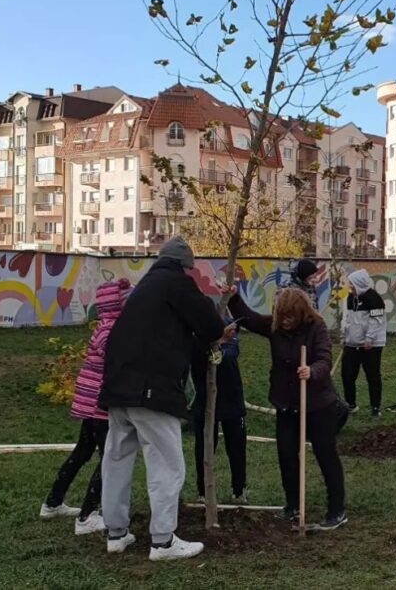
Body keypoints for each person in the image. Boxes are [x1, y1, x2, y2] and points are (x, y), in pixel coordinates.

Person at [99, 236, 231, 561]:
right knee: (167, 464)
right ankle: (163, 542)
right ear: (185, 266)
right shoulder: (177, 283)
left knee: (116, 460)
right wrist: (219, 333)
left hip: (118, 388)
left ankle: (116, 534)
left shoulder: (146, 287)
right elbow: (210, 323)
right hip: (151, 389)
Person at [227, 285, 349, 530]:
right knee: (286, 455)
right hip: (286, 403)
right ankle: (293, 505)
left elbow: (324, 359)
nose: (284, 322)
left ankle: (337, 509)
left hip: (318, 404)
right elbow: (249, 319)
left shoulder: (317, 327)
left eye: (289, 317)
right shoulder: (275, 326)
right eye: (281, 316)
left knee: (326, 454)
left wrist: (311, 371)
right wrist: (232, 296)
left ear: (301, 313)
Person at [40, 279, 131, 535]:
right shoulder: (114, 330)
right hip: (99, 404)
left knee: (82, 451)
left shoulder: (105, 326)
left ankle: (53, 502)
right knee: (108, 457)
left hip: (90, 400)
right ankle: (87, 515)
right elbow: (119, 361)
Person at [190, 313, 247, 503]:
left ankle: (239, 491)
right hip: (204, 401)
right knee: (204, 448)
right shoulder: (195, 336)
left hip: (231, 399)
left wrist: (219, 349)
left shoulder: (229, 334)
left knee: (236, 446)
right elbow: (194, 356)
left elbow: (230, 353)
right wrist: (211, 349)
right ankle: (203, 492)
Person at [341, 269, 387, 417]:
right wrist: (345, 337)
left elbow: (376, 321)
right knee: (347, 374)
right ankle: (350, 404)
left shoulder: (374, 298)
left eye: (352, 284)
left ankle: (375, 407)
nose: (350, 287)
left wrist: (370, 338)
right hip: (352, 344)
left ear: (359, 284)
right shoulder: (350, 298)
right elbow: (348, 319)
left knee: (372, 375)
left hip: (371, 345)